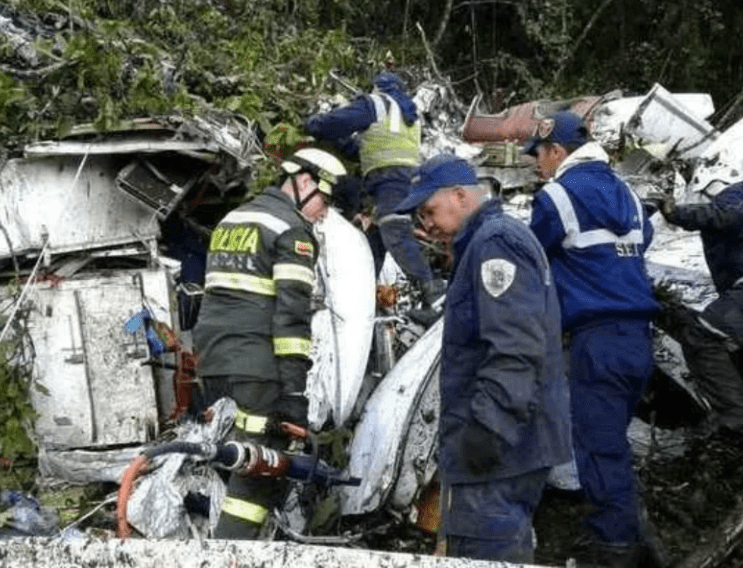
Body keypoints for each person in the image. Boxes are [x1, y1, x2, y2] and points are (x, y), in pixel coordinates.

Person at [394, 154, 572, 562]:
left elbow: (514, 346)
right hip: (508, 442)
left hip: (503, 448)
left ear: (460, 196)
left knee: (486, 551)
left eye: (429, 210)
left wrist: (487, 430)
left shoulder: (496, 243)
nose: (426, 225)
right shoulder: (483, 242)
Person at [525, 111, 660, 567]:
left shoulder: (556, 196)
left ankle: (615, 549)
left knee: (599, 449)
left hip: (596, 340)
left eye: (538, 155)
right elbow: (641, 242)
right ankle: (627, 531)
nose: (536, 165)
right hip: (639, 340)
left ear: (557, 151)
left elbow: (527, 256)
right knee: (611, 443)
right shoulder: (628, 194)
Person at [192, 147, 346, 539]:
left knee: (225, 459)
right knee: (259, 473)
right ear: (305, 182)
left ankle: (206, 542)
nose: (323, 213)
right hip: (257, 370)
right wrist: (294, 396)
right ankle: (230, 554)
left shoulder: (232, 219)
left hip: (213, 365)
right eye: (324, 202)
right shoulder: (293, 232)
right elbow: (291, 322)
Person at [303, 72, 446, 312]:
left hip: (389, 180)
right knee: (373, 247)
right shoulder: (407, 113)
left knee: (395, 234)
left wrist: (311, 125)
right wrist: (340, 143)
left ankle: (434, 292)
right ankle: (362, 302)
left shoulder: (377, 103)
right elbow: (367, 148)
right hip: (404, 180)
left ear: (377, 88)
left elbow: (336, 123)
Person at [652, 165, 743, 440]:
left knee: (702, 335)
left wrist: (676, 213)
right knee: (732, 347)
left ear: (708, 186)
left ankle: (740, 425)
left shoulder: (738, 194)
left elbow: (726, 215)